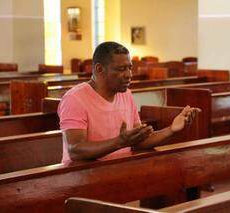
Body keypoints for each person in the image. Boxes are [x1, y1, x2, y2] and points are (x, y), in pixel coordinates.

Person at [58, 41, 200, 163]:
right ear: (99, 69)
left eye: (129, 68)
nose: (129, 75)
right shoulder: (75, 99)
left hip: (119, 169)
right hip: (82, 176)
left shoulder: (125, 94)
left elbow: (139, 141)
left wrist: (172, 129)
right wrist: (119, 142)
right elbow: (76, 150)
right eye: (121, 69)